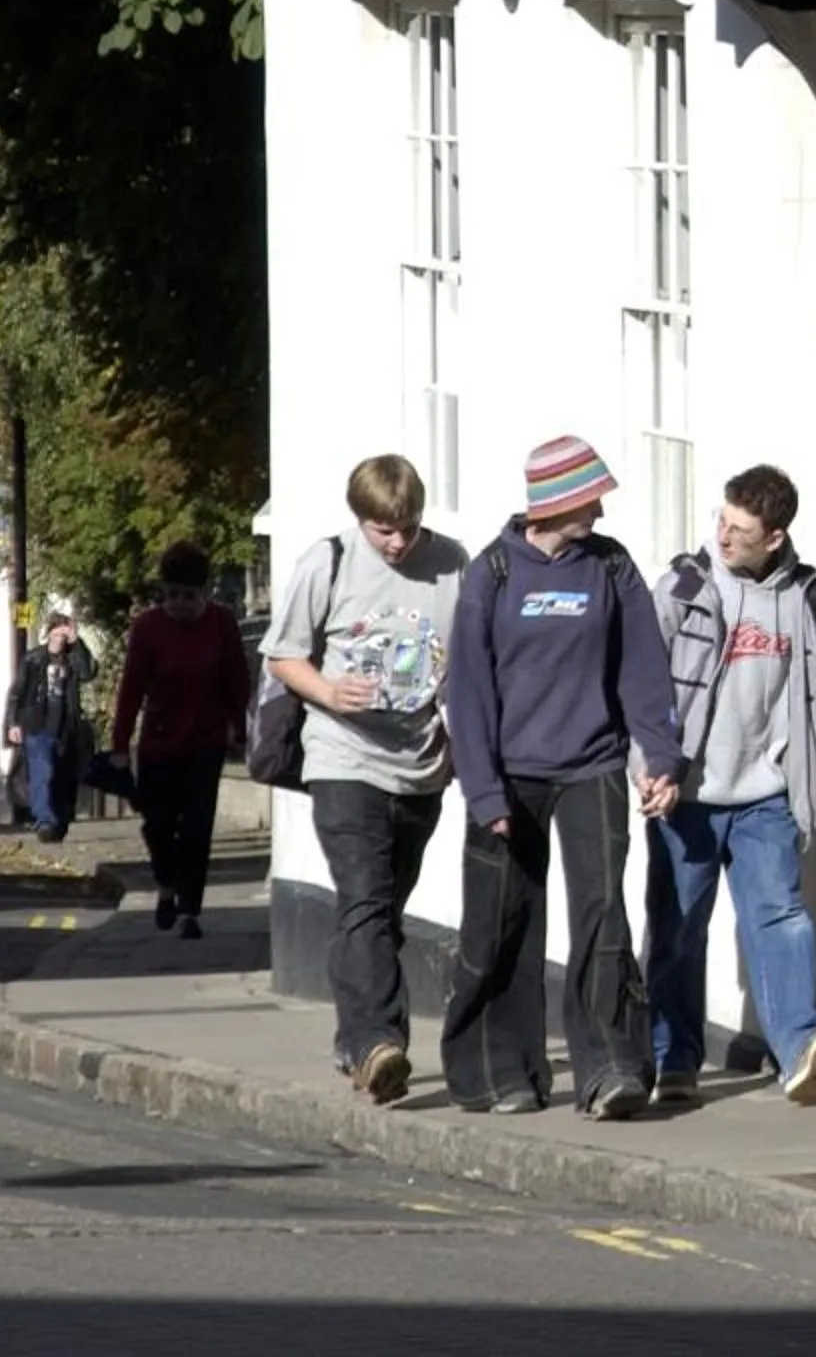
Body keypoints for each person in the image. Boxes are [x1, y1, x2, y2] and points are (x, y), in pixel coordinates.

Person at [440, 435, 682, 1121]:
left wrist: (658, 758)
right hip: (510, 777)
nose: (601, 513)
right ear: (555, 503)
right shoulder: (493, 573)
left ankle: (611, 1069)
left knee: (604, 918)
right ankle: (499, 1072)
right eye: (590, 500)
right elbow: (470, 690)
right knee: (503, 924)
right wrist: (483, 789)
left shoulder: (610, 569)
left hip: (593, 767)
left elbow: (642, 667)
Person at [645, 465, 816, 1107]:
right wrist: (652, 767)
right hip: (689, 794)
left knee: (782, 917)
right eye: (722, 522)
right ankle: (673, 1058)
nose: (724, 535)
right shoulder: (685, 589)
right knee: (678, 929)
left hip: (765, 793)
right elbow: (644, 686)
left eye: (740, 529)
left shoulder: (808, 601)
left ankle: (799, 1049)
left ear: (776, 537)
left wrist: (798, 772)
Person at [262, 454, 468, 1105]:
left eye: (407, 528)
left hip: (419, 764)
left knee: (385, 908)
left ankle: (359, 1040)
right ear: (361, 520)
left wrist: (462, 736)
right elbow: (283, 655)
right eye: (385, 530)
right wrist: (327, 690)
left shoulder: (452, 564)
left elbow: (466, 661)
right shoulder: (328, 563)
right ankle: (379, 1042)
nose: (399, 542)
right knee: (364, 897)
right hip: (342, 755)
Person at [107, 542, 252, 942]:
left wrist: (240, 728)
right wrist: (120, 745)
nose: (180, 605)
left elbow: (236, 681)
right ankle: (166, 884)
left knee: (198, 826)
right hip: (158, 741)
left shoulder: (221, 624)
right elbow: (131, 689)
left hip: (206, 741)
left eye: (189, 596)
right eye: (172, 595)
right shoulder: (148, 628)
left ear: (203, 592)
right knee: (157, 823)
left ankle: (189, 909)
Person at [7, 612, 96, 842]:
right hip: (37, 724)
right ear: (49, 633)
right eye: (57, 633)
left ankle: (57, 822)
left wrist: (77, 643)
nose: (61, 638)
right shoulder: (33, 658)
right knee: (42, 771)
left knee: (63, 777)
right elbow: (17, 692)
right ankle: (44, 820)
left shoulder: (74, 658)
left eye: (65, 633)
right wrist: (13, 723)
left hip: (67, 727)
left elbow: (87, 673)